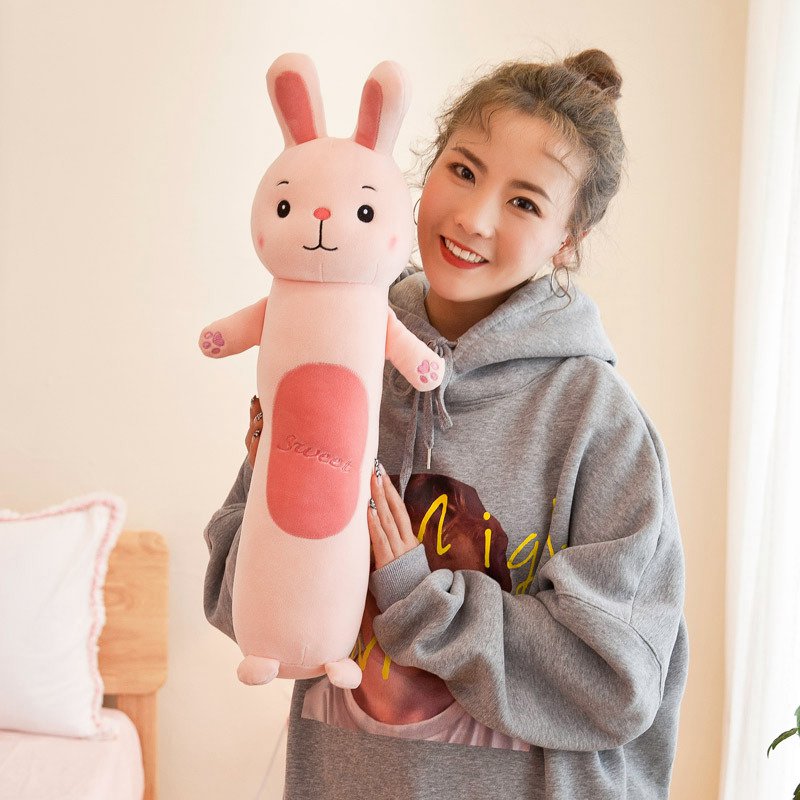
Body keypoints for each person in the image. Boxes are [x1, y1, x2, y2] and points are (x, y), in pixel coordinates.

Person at [203, 48, 689, 799]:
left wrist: (421, 600)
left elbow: (616, 683)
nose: (474, 218)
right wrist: (275, 500)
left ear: (568, 238)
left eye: (525, 203)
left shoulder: (597, 421)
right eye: (463, 170)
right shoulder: (337, 352)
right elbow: (234, 606)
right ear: (423, 169)